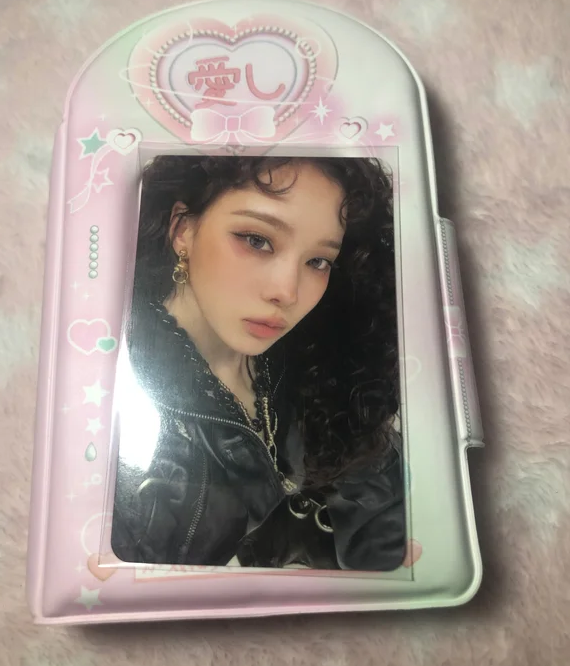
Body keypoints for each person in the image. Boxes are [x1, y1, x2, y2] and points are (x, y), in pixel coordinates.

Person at [111, 154, 405, 571]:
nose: (287, 292)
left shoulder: (317, 358)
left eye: (318, 261)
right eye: (256, 240)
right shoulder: (106, 396)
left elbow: (385, 495)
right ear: (183, 228)